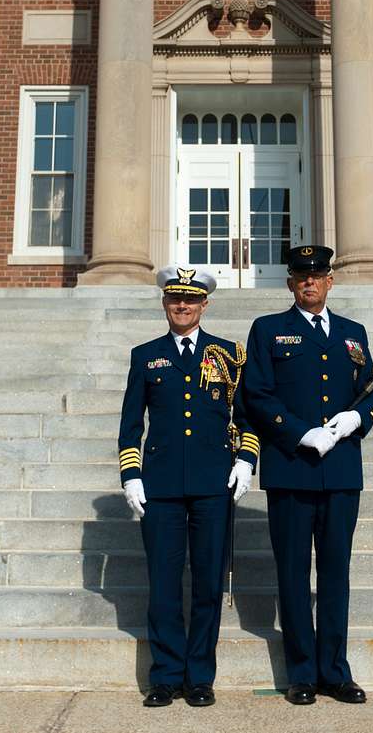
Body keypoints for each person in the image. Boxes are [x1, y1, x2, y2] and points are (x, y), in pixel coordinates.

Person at [241, 244, 373, 706]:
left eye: (317, 275)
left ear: (329, 282)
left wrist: (355, 420)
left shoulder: (352, 332)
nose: (309, 281)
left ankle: (335, 672)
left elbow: (371, 392)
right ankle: (301, 672)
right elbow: (257, 396)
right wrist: (301, 434)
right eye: (301, 276)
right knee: (293, 572)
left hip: (342, 471)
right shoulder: (268, 330)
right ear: (290, 283)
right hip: (291, 468)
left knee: (336, 573)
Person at [117, 266, 260, 708]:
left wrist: (246, 459)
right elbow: (129, 425)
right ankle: (163, 676)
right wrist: (131, 475)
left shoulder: (229, 353)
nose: (183, 306)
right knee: (162, 585)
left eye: (192, 300)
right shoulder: (146, 355)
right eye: (176, 299)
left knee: (206, 585)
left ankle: (199, 676)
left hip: (213, 485)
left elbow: (247, 416)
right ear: (165, 303)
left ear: (204, 305)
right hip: (160, 488)